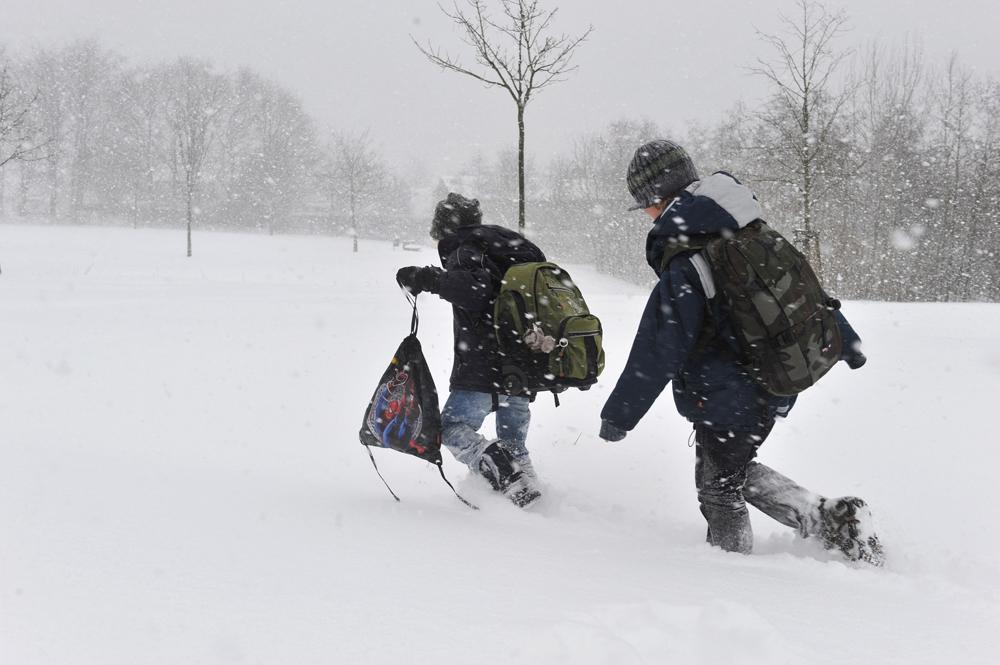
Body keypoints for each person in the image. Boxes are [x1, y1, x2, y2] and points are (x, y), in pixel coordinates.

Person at [598, 140, 884, 565]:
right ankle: (826, 519)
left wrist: (619, 415)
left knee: (717, 485)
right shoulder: (753, 231)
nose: (645, 214)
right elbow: (806, 293)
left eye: (644, 204)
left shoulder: (689, 261)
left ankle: (735, 574)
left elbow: (658, 348)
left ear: (658, 199)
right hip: (776, 375)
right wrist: (847, 340)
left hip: (728, 393)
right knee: (731, 468)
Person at [396, 193, 544, 508]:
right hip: (525, 366)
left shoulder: (465, 250)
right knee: (513, 444)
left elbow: (476, 291)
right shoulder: (506, 249)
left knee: (448, 427)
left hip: (485, 366)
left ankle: (507, 478)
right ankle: (535, 502)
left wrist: (427, 278)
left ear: (442, 228)